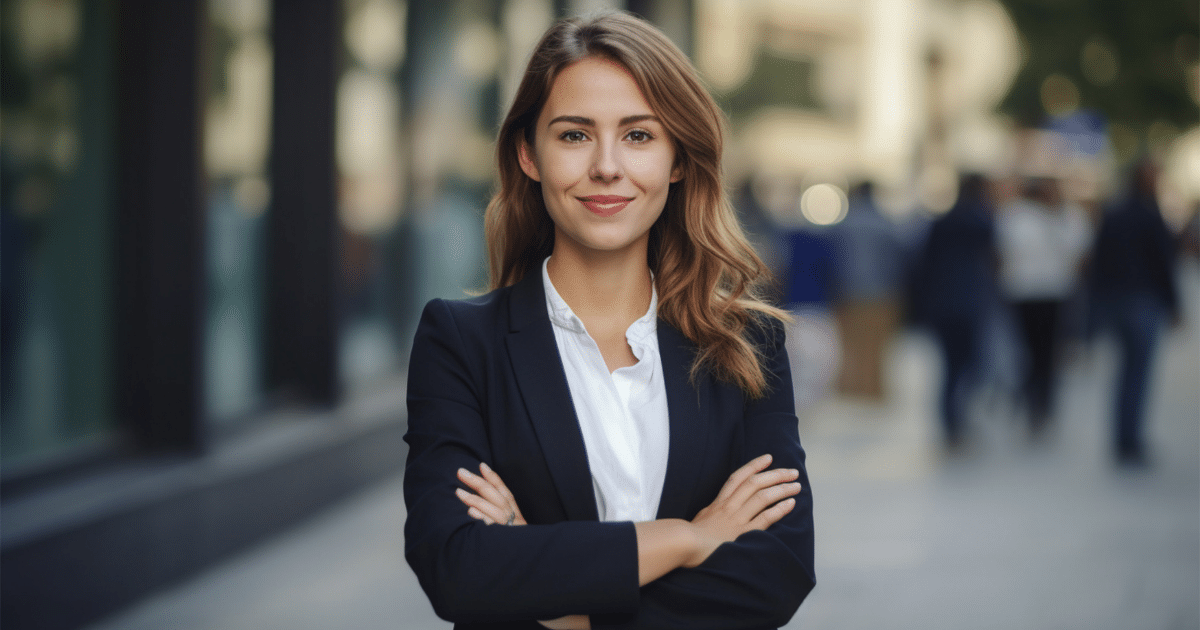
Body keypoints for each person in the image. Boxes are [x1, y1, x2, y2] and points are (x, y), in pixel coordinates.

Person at [402, 11, 815, 630]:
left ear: (677, 160)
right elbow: (458, 567)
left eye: (639, 136)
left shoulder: (746, 344)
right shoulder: (461, 342)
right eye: (574, 135)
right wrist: (685, 537)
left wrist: (564, 613)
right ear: (528, 154)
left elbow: (777, 572)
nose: (606, 166)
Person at [1089, 158, 1180, 466]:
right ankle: (1129, 439)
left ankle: (1123, 437)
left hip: (1117, 301)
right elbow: (1163, 265)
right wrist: (1174, 305)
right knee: (1137, 372)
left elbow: (1098, 261)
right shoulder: (1150, 215)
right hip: (1142, 301)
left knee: (1125, 371)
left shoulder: (1113, 212)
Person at [994, 177, 1091, 433]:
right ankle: (1030, 401)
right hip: (1023, 292)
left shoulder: (1066, 216)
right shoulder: (1014, 216)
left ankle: (1043, 404)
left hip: (1054, 292)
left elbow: (1078, 250)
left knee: (1048, 353)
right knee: (1027, 350)